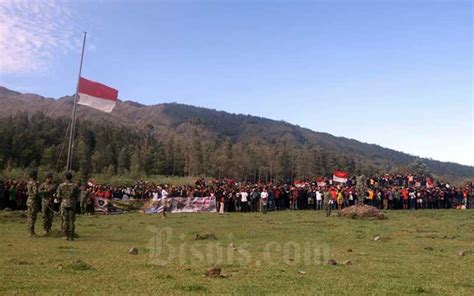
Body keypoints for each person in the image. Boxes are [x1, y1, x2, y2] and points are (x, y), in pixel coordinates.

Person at [57, 172, 79, 241]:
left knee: (65, 220)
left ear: (65, 177)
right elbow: (77, 196)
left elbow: (58, 196)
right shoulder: (75, 186)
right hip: (72, 204)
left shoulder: (61, 186)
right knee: (71, 220)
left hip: (64, 203)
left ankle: (65, 235)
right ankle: (71, 236)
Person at [26, 170, 40, 237]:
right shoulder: (34, 183)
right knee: (33, 217)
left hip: (29, 200)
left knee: (29, 216)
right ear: (34, 176)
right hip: (33, 201)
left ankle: (29, 231)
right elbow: (36, 192)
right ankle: (31, 232)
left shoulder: (29, 182)